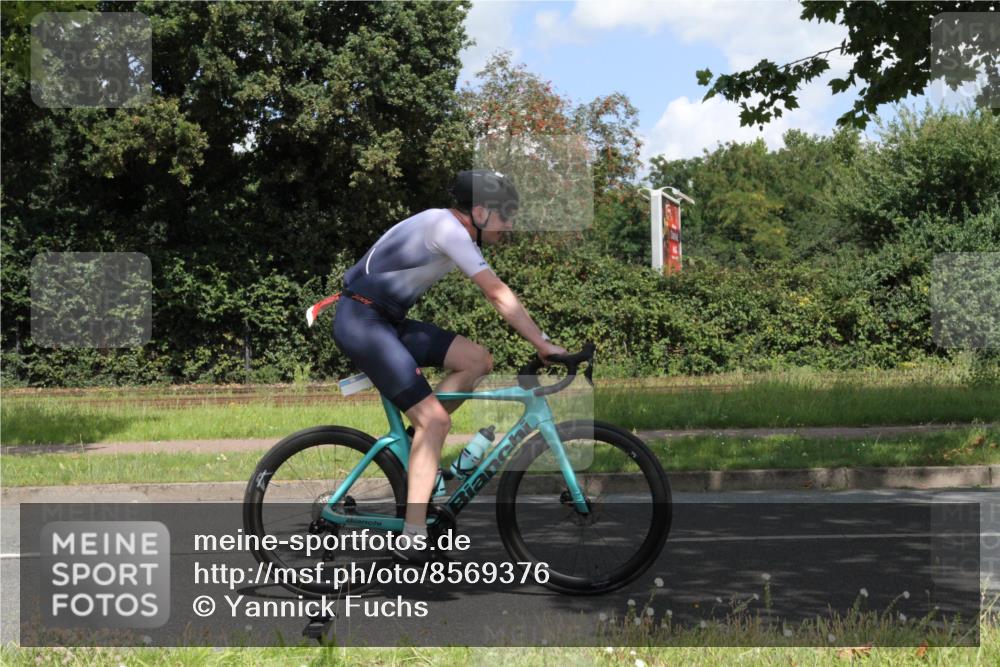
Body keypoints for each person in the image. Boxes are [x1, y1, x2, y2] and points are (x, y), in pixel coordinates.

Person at [329, 169, 566, 564]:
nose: (509, 224)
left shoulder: (446, 225)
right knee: (436, 421)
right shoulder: (447, 228)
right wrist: (541, 343)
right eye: (504, 214)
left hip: (385, 321)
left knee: (477, 360)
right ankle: (412, 536)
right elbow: (496, 293)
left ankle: (418, 447)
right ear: (478, 211)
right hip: (362, 322)